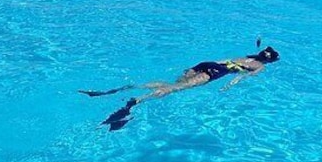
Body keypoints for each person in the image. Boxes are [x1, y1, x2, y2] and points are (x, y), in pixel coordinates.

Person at [80, 46, 280, 131]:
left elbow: (221, 61)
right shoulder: (259, 66)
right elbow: (241, 78)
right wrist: (228, 87)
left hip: (206, 64)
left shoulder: (246, 56)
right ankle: (135, 102)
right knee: (173, 89)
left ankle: (115, 90)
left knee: (169, 83)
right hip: (214, 73)